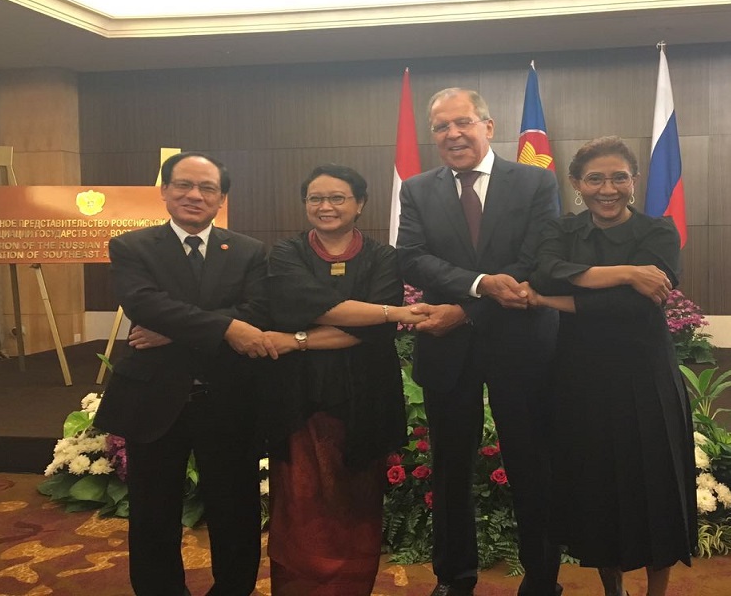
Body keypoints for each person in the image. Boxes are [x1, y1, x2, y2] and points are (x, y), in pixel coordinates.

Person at [396, 88, 562, 596]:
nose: (453, 134)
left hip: (521, 344)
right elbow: (412, 257)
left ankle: (540, 579)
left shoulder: (535, 181)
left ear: (489, 126)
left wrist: (468, 307)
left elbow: (537, 258)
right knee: (449, 468)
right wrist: (481, 286)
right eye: (442, 127)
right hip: (447, 353)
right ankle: (453, 577)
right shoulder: (419, 189)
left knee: (532, 463)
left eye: (463, 122)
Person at [95, 152, 277, 596]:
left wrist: (175, 332)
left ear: (221, 199)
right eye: (183, 185)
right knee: (153, 510)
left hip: (229, 398)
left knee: (235, 508)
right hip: (155, 399)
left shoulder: (250, 251)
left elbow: (258, 311)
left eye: (207, 188)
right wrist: (226, 326)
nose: (194, 195)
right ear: (164, 192)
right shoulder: (131, 246)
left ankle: (233, 588)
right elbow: (144, 304)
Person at [525, 136, 697, 596]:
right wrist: (627, 273)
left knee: (656, 487)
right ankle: (613, 590)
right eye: (595, 178)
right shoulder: (562, 230)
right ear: (577, 184)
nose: (608, 188)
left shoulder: (658, 231)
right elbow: (543, 270)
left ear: (634, 181)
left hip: (646, 378)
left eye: (619, 177)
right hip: (581, 379)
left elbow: (637, 308)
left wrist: (553, 299)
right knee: (598, 485)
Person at [257, 164, 428, 595]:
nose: (326, 206)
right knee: (297, 501)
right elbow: (304, 304)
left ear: (360, 204)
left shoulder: (384, 256)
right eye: (316, 198)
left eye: (338, 198)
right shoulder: (285, 252)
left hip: (363, 400)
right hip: (298, 400)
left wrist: (295, 338)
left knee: (357, 501)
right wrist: (389, 312)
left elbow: (368, 331)